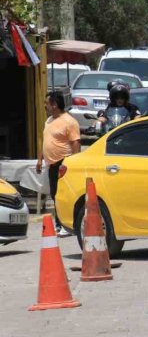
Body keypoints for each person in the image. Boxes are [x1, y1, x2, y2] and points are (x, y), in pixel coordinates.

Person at [36, 92, 80, 236]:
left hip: (64, 162)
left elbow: (75, 143)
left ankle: (66, 225)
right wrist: (40, 159)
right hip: (51, 164)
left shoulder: (69, 121)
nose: (45, 106)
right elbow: (45, 140)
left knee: (63, 195)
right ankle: (59, 223)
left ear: (54, 105)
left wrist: (74, 163)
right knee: (55, 195)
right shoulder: (48, 120)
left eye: (46, 103)